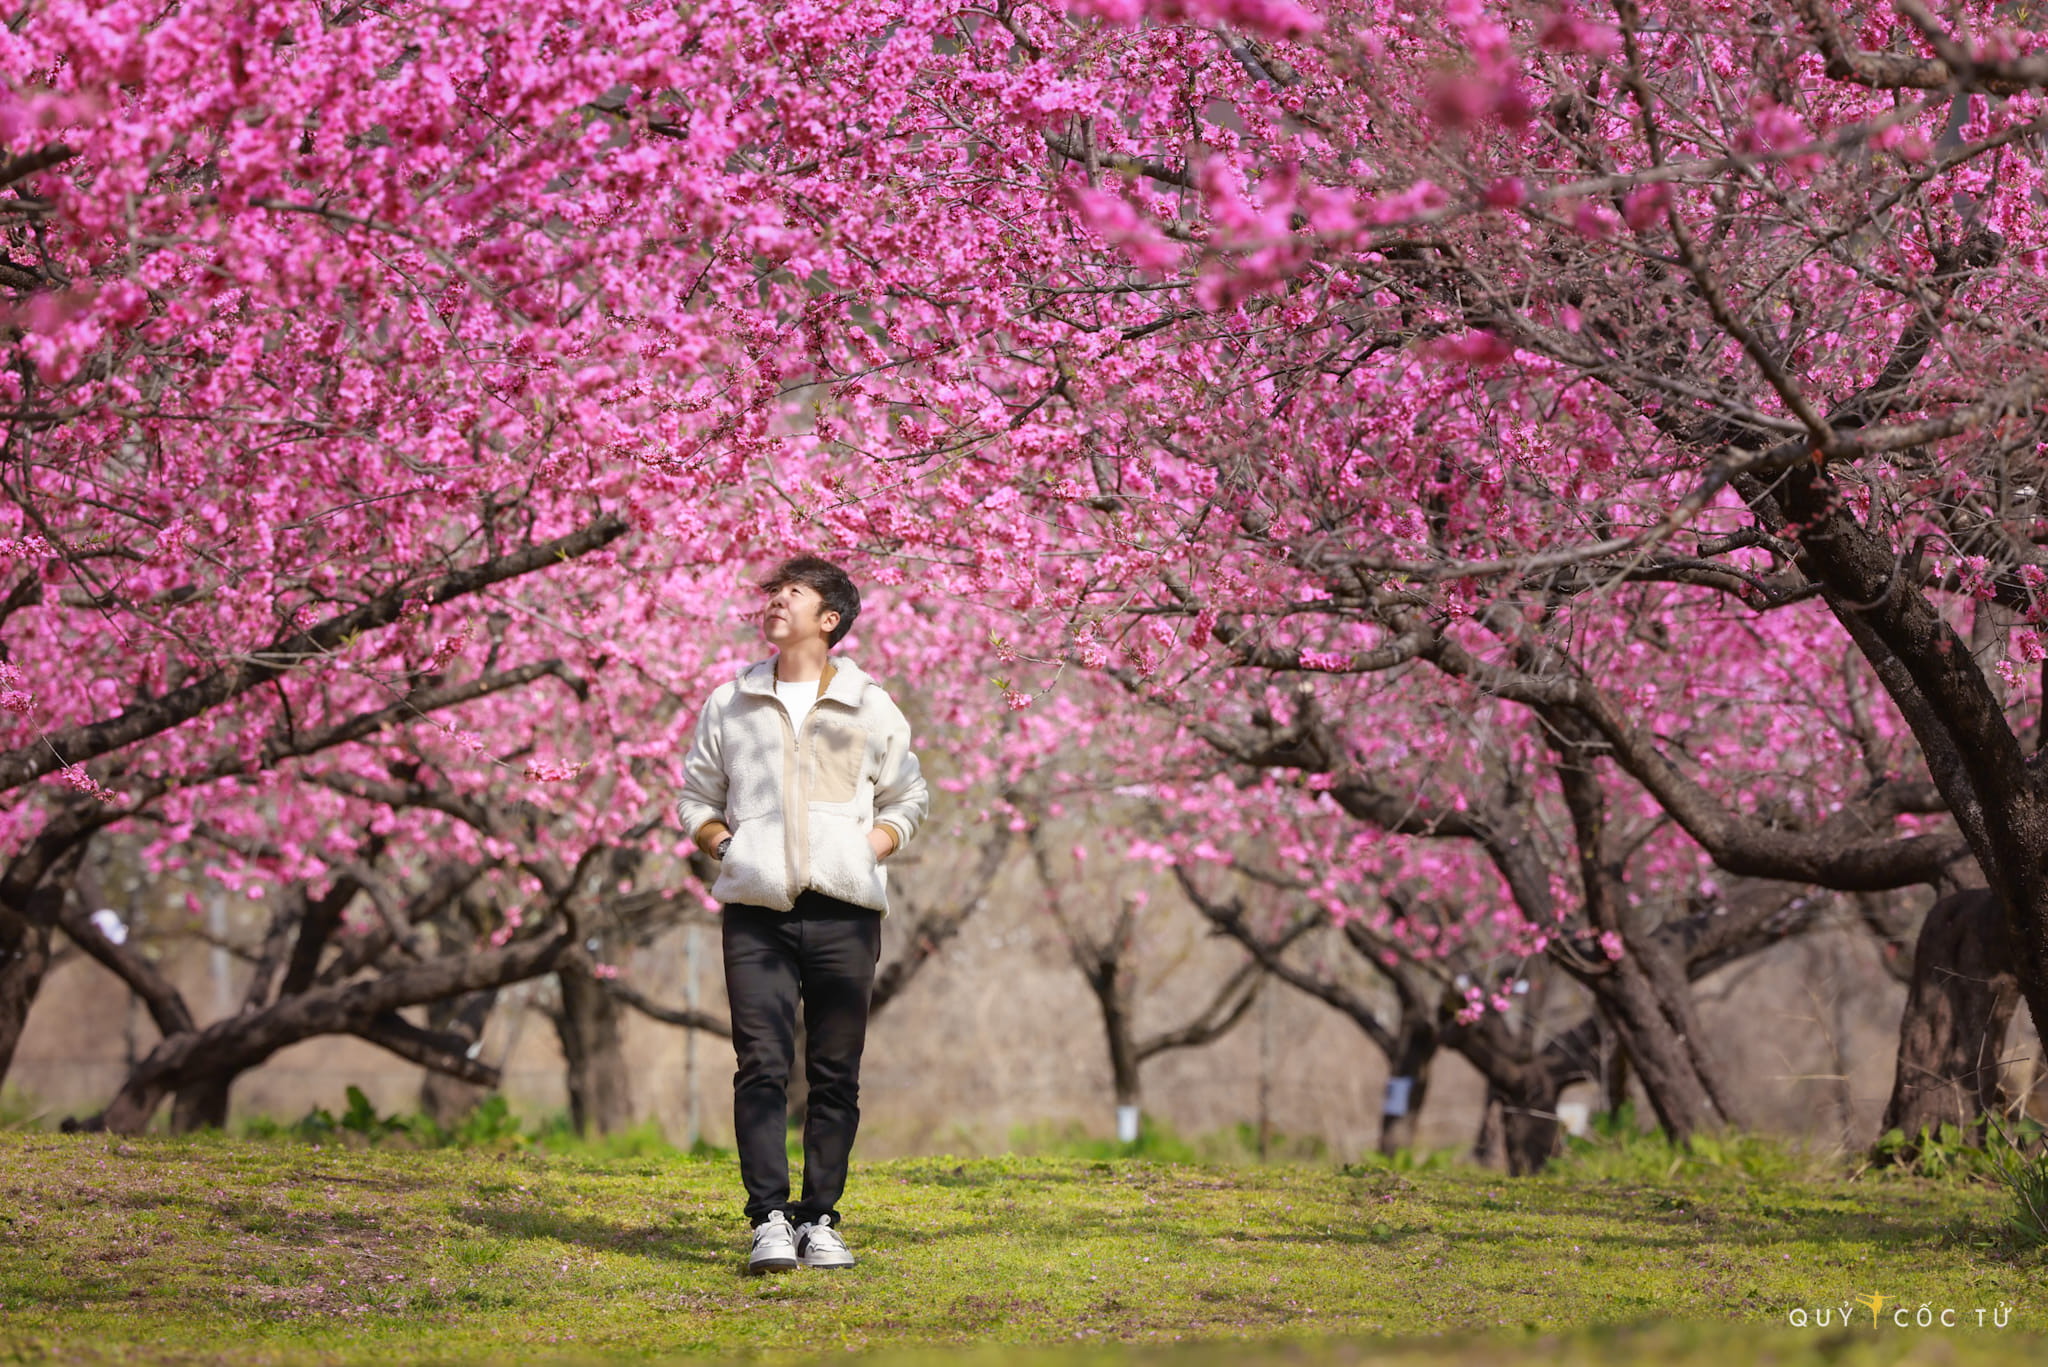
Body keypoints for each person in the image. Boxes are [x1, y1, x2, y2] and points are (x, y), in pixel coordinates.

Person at [674, 555, 930, 1274]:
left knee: (835, 1070)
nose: (776, 600)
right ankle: (767, 1220)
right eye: (773, 592)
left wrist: (868, 844)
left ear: (830, 619)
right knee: (760, 1062)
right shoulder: (730, 702)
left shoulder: (869, 704)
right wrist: (726, 845)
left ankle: (820, 1218)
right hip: (755, 911)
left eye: (794, 592)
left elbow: (908, 797)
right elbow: (695, 794)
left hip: (845, 911)